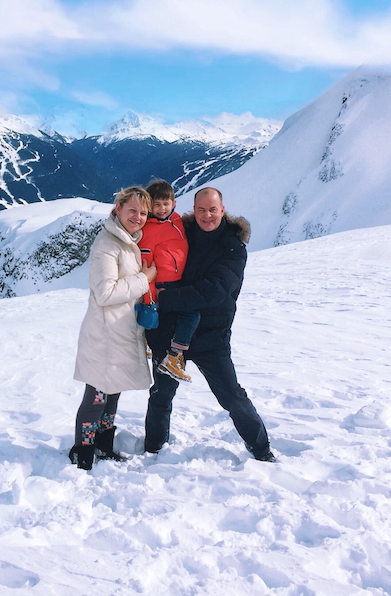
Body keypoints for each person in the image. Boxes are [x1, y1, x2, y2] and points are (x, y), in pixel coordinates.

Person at [144, 187, 275, 462]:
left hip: (210, 337)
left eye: (212, 209)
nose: (207, 215)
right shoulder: (181, 231)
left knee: (232, 397)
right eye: (201, 210)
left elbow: (215, 290)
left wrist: (167, 299)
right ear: (193, 210)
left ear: (222, 210)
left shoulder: (233, 247)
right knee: (161, 395)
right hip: (170, 333)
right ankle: (153, 448)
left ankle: (262, 449)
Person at [70, 186, 158, 471]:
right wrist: (145, 278)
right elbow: (105, 293)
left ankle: (103, 445)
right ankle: (83, 451)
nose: (138, 217)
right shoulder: (107, 244)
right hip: (104, 335)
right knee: (97, 396)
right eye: (132, 210)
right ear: (117, 208)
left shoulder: (127, 242)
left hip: (120, 333)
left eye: (143, 212)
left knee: (113, 391)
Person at [139, 179, 199, 383]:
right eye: (156, 204)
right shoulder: (148, 230)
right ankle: (174, 356)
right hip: (165, 286)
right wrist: (149, 299)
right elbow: (145, 266)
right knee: (191, 314)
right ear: (149, 206)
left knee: (186, 316)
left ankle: (153, 342)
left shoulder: (177, 221)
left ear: (174, 203)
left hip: (179, 281)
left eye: (166, 203)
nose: (162, 208)